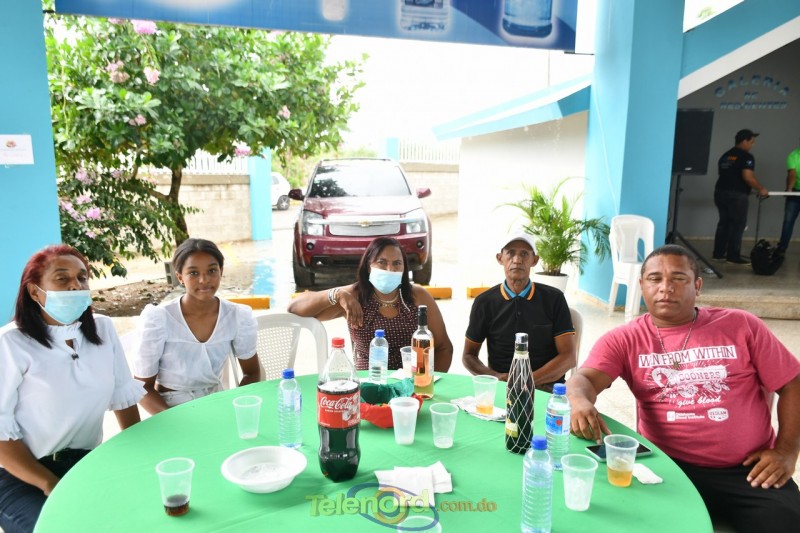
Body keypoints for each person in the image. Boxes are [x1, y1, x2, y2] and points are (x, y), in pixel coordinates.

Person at [568, 244, 800, 531]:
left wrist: (786, 451)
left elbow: (792, 383)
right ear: (641, 285)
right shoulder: (624, 339)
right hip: (668, 467)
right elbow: (584, 379)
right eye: (655, 279)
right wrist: (579, 400)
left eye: (678, 278)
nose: (666, 287)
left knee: (787, 523)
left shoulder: (741, 325)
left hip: (747, 470)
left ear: (697, 286)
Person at [0, 245, 144, 532]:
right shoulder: (10, 343)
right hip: (23, 477)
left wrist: (138, 463)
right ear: (34, 291)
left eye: (82, 277)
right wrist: (50, 483)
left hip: (85, 466)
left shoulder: (103, 330)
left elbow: (124, 400)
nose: (75, 285)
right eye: (62, 278)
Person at [287, 236, 453, 372]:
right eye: (382, 262)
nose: (390, 269)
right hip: (369, 385)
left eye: (397, 263)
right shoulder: (354, 296)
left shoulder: (417, 296)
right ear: (368, 266)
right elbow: (294, 307)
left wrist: (426, 386)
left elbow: (444, 348)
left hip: (411, 388)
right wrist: (336, 294)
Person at [133, 238, 261, 414]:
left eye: (212, 270)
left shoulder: (237, 316)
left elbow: (252, 373)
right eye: (193, 273)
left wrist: (237, 408)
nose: (204, 280)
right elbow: (142, 387)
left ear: (221, 271)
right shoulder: (159, 319)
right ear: (180, 277)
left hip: (217, 404)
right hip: (171, 409)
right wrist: (173, 421)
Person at [463, 233, 576, 392]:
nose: (517, 260)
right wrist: (494, 377)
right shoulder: (484, 302)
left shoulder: (554, 299)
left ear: (534, 260)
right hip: (501, 388)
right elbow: (469, 356)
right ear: (500, 258)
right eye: (510, 253)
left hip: (545, 388)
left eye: (524, 254)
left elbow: (568, 357)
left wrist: (527, 380)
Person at [712, 128, 770, 265]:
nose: (753, 145)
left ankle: (718, 254)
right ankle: (733, 256)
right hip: (737, 195)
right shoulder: (746, 156)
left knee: (724, 223)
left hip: (720, 192)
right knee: (737, 225)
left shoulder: (725, 155)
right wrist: (761, 188)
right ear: (744, 141)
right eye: (751, 142)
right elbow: (748, 177)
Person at [777, 142, 800, 256]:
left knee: (788, 221)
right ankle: (782, 247)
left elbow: (791, 174)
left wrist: (789, 190)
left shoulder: (793, 155)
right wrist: (789, 189)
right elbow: (792, 174)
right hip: (795, 191)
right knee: (788, 221)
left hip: (794, 191)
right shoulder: (793, 155)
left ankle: (782, 248)